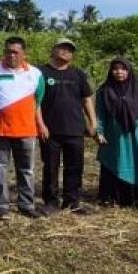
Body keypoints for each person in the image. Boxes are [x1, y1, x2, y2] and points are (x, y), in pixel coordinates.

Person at [0, 36, 47, 220]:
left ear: (24, 53)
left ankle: (26, 204)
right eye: (8, 51)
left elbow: (38, 100)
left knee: (27, 169)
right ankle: (0, 206)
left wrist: (39, 124)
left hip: (26, 131)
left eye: (16, 52)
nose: (11, 55)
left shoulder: (36, 74)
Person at [38, 39, 99, 216]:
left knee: (75, 166)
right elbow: (35, 102)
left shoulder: (78, 74)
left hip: (75, 128)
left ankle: (72, 202)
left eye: (69, 49)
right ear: (53, 49)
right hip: (50, 130)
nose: (65, 51)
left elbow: (87, 99)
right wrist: (40, 124)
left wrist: (93, 123)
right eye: (62, 48)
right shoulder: (41, 73)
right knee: (50, 167)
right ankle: (50, 202)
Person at [95, 57, 138, 209]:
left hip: (136, 134)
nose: (119, 72)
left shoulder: (136, 89)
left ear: (129, 71)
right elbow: (100, 114)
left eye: (123, 69)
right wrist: (99, 132)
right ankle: (112, 198)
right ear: (111, 71)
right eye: (116, 69)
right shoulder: (104, 90)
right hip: (114, 133)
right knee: (115, 161)